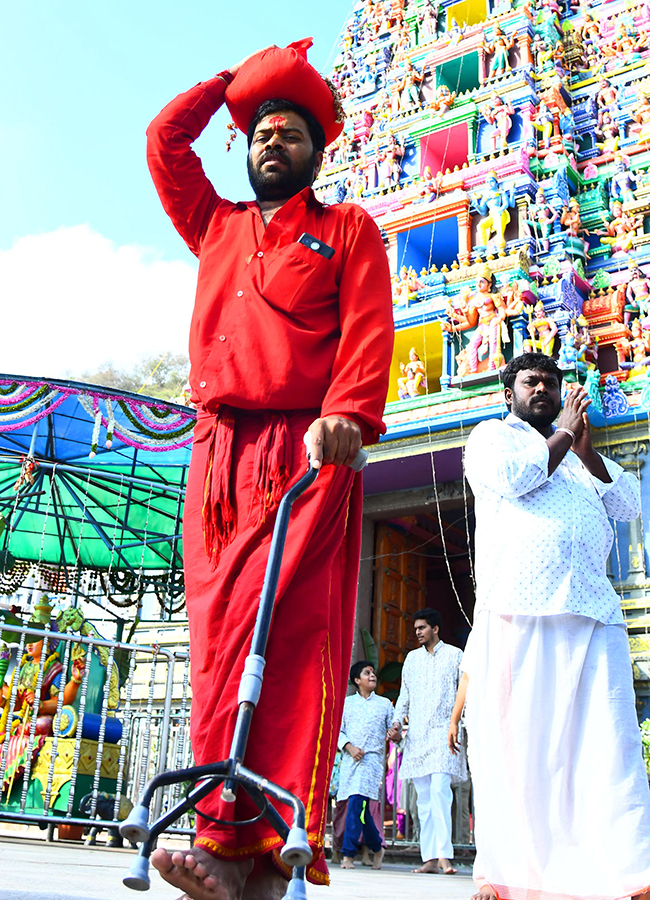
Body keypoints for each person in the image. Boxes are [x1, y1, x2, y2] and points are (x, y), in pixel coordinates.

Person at [145, 40, 394, 900]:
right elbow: (163, 143)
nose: (271, 143)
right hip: (216, 456)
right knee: (219, 650)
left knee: (285, 639)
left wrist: (349, 417)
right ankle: (227, 839)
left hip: (307, 450)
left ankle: (267, 837)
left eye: (289, 132)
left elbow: (368, 331)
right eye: (260, 134)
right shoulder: (214, 226)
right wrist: (231, 88)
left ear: (317, 151)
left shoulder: (347, 229)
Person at [463, 352, 650, 900]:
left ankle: (630, 873)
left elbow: (629, 503)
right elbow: (515, 480)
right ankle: (507, 875)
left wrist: (587, 451)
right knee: (521, 749)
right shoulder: (492, 438)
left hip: (593, 610)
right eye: (531, 381)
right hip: (522, 607)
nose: (542, 388)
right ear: (510, 392)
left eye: (551, 381)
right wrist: (564, 436)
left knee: (608, 746)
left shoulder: (577, 455)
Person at [387, 609, 467, 875]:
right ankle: (430, 858)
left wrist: (460, 724)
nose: (417, 632)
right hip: (418, 736)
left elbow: (464, 693)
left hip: (445, 733)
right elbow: (404, 694)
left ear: (435, 628)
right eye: (416, 628)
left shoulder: (455, 655)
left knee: (440, 792)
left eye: (422, 627)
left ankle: (445, 855)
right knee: (423, 799)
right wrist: (397, 724)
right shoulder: (411, 659)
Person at [336, 660, 394, 869]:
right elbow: (337, 732)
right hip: (351, 762)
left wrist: (394, 733)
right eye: (366, 673)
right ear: (356, 680)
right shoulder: (347, 704)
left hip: (371, 763)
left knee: (356, 806)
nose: (372, 675)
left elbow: (394, 730)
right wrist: (349, 747)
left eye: (373, 672)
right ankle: (377, 848)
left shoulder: (385, 704)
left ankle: (348, 855)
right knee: (361, 810)